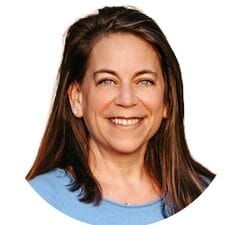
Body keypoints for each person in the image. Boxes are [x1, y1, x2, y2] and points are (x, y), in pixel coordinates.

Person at [26, 6, 215, 225]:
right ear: (77, 99)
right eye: (108, 81)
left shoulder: (210, 195)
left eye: (144, 81)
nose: (126, 100)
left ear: (166, 101)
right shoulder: (41, 198)